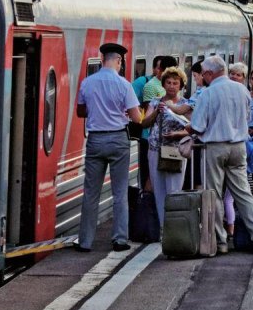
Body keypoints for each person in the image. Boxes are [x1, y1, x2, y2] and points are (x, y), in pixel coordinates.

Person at [188, 56, 253, 253]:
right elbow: (247, 117)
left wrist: (185, 129)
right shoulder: (242, 90)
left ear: (209, 73)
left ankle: (221, 241)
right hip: (239, 146)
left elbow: (198, 126)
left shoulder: (207, 94)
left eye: (204, 74)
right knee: (243, 192)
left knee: (214, 194)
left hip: (215, 147)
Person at [76, 43, 143, 252]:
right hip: (118, 140)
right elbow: (137, 118)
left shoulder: (87, 82)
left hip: (95, 140)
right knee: (120, 192)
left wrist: (98, 111)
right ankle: (120, 240)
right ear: (119, 61)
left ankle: (85, 242)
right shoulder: (124, 84)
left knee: (90, 193)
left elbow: (80, 112)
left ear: (103, 59)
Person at [138, 66, 191, 226]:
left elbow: (192, 128)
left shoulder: (185, 105)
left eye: (175, 83)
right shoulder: (155, 102)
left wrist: (177, 134)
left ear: (181, 85)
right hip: (155, 149)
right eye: (168, 82)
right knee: (158, 189)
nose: (171, 86)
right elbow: (144, 123)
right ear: (163, 84)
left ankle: (173, 226)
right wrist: (156, 112)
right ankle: (162, 226)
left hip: (176, 150)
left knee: (174, 189)